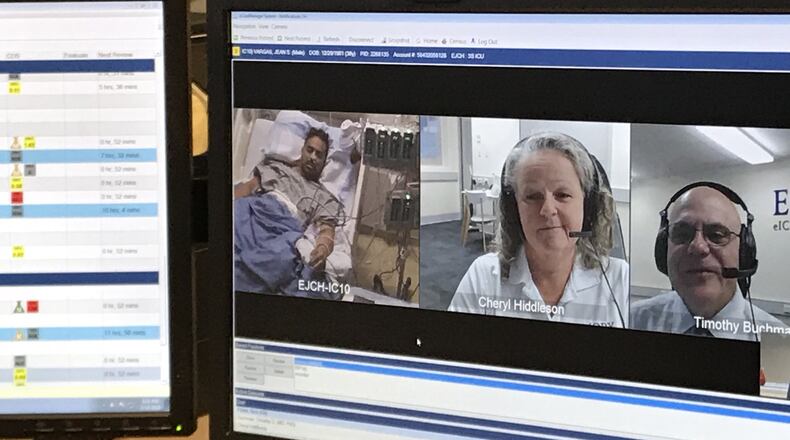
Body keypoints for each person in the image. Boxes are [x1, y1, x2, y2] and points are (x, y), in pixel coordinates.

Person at [449, 132, 629, 327]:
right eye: (533, 196)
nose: (547, 210)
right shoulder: (483, 276)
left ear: (588, 207)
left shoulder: (619, 278)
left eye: (562, 194)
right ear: (514, 210)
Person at [631, 182, 788, 340]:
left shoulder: (778, 342)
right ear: (664, 247)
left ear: (743, 252)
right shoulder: (632, 321)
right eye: (682, 233)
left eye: (717, 235)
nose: (698, 247)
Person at [234, 128, 343, 297]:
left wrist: (322, 248)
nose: (313, 157)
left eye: (319, 154)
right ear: (302, 150)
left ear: (324, 162)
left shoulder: (324, 197)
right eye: (310, 150)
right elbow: (248, 187)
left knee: (281, 258)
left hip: (285, 228)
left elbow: (327, 230)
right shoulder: (276, 168)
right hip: (256, 208)